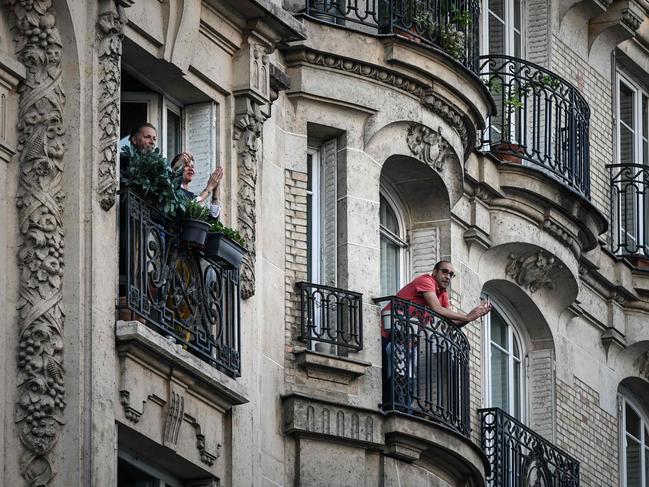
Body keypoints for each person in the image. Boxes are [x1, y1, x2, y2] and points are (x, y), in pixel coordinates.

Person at [381, 260, 491, 411]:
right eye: (444, 272)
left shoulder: (443, 294)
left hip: (409, 341)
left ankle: (404, 412)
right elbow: (436, 308)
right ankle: (398, 411)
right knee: (397, 378)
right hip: (390, 335)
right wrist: (467, 317)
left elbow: (451, 324)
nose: (448, 277)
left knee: (408, 381)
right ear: (434, 272)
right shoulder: (426, 281)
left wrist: (474, 316)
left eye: (451, 274)